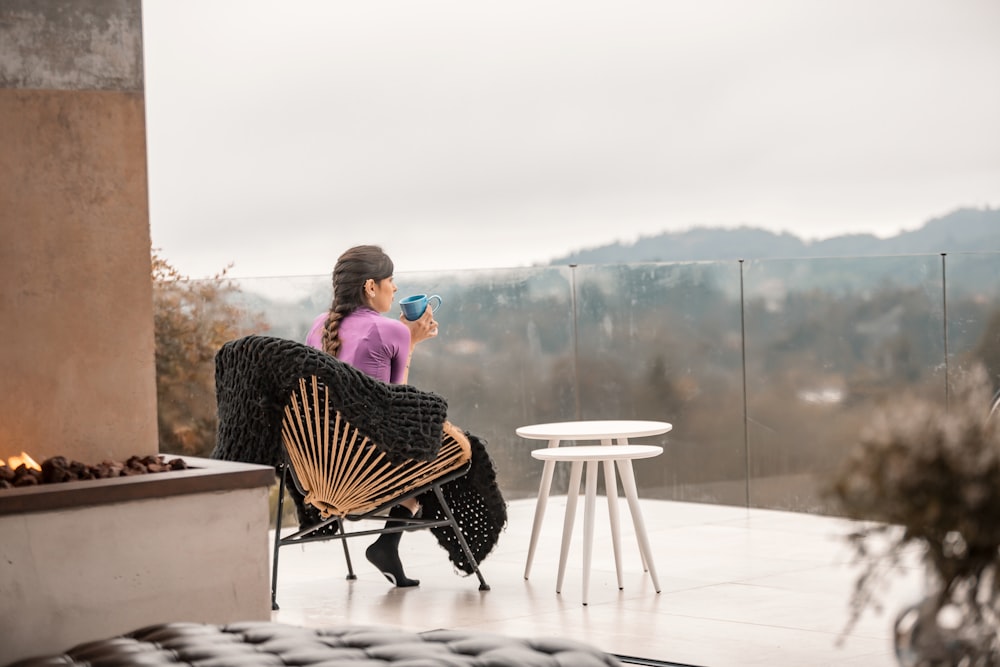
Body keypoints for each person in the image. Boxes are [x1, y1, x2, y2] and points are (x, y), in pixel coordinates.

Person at [304, 244, 438, 587]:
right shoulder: (391, 331)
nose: (395, 288)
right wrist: (410, 343)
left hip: (320, 465)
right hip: (367, 465)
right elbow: (398, 406)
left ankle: (387, 547)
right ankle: (388, 543)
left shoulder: (319, 326)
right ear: (370, 286)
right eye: (391, 280)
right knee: (442, 449)